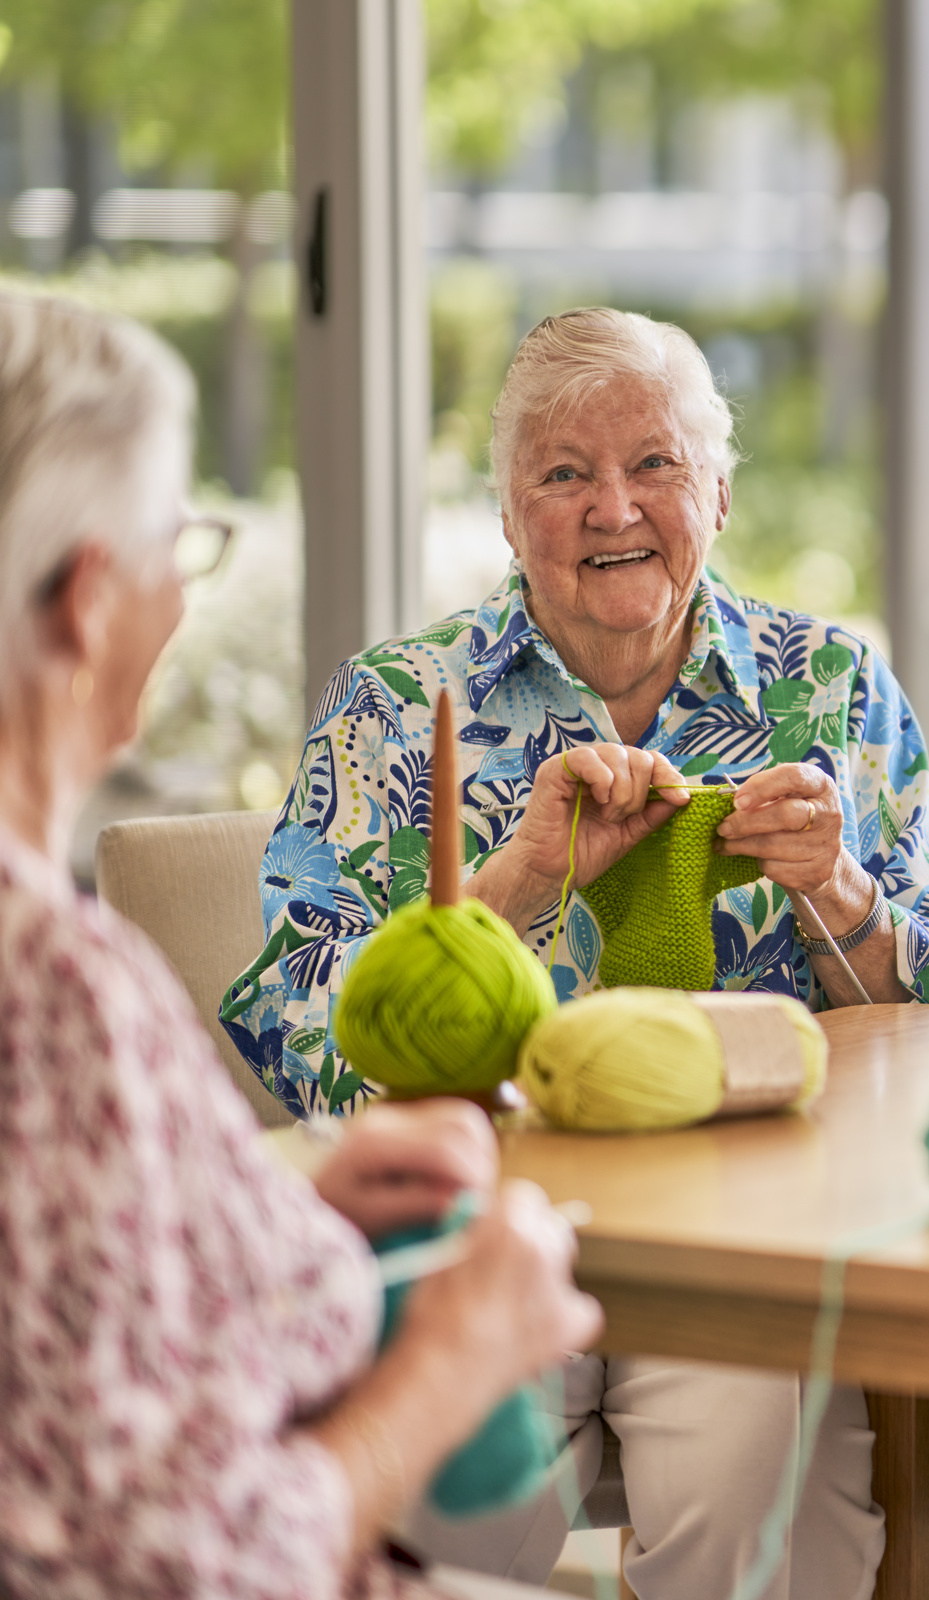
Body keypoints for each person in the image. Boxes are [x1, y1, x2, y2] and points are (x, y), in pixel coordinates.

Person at [221, 307, 929, 1598]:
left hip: (750, 1236)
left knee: (763, 1509)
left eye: (655, 466)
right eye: (564, 474)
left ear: (720, 493)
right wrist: (514, 890)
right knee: (444, 1511)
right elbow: (296, 1022)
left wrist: (836, 892)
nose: (612, 507)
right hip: (488, 1218)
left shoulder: (832, 689)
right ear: (509, 513)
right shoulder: (400, 708)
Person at [0, 290, 599, 1598]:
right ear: (92, 601)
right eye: (184, 544)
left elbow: (63, 1304)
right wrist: (454, 1356)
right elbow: (189, 1561)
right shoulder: (53, 988)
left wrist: (264, 1211)